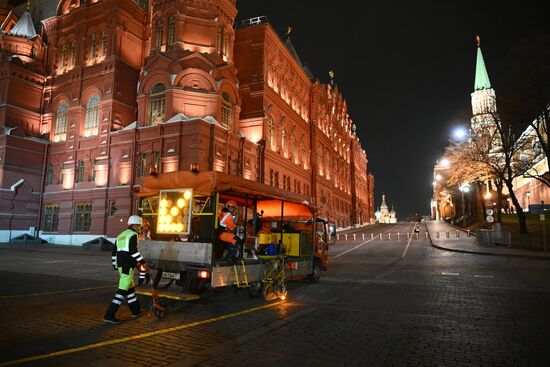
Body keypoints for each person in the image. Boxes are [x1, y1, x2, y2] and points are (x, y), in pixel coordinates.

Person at [103, 215, 147, 324]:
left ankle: (136, 311)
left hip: (121, 266)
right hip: (128, 266)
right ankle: (109, 316)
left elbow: (114, 254)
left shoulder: (120, 235)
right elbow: (133, 251)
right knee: (121, 291)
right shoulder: (133, 235)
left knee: (130, 290)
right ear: (135, 225)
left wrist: (115, 267)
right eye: (139, 226)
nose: (140, 229)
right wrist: (143, 262)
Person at [137, 220, 151, 286]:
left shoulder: (148, 233)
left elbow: (149, 241)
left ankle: (140, 282)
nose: (146, 228)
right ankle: (147, 276)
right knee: (139, 267)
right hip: (138, 251)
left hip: (144, 253)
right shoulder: (138, 232)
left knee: (142, 268)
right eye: (145, 226)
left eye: (147, 226)